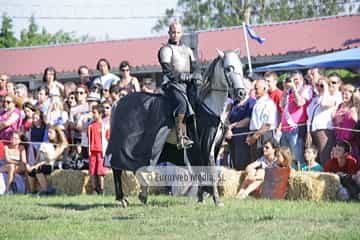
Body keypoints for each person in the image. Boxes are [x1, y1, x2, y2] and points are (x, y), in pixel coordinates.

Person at [157, 21, 202, 149]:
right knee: (182, 103)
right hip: (172, 85)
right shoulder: (166, 49)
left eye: (178, 32)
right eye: (173, 32)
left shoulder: (187, 50)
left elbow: (195, 66)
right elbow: (167, 69)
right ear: (169, 33)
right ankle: (180, 136)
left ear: (181, 33)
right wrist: (181, 76)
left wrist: (197, 75)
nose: (175, 35)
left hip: (187, 84)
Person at [279, 70, 313, 164]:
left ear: (302, 80)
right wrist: (285, 89)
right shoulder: (288, 92)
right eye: (292, 79)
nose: (294, 81)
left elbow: (300, 103)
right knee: (286, 158)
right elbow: (281, 104)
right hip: (285, 129)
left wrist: (294, 89)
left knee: (297, 158)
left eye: (296, 79)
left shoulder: (306, 89)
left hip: (296, 128)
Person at [26, 125, 68, 195]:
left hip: (57, 165)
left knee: (38, 169)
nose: (48, 134)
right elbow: (39, 158)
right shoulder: (47, 143)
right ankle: (32, 192)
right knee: (31, 172)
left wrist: (45, 154)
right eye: (48, 132)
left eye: (50, 132)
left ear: (56, 133)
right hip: (46, 163)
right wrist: (34, 165)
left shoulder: (62, 144)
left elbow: (53, 158)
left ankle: (45, 191)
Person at [246, 77, 278, 162]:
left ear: (264, 89)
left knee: (263, 161)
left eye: (256, 89)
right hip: (255, 134)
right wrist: (250, 135)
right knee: (255, 160)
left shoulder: (268, 103)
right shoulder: (258, 102)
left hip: (264, 136)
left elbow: (267, 125)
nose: (254, 91)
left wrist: (254, 136)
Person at [306, 77, 337, 165]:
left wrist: (326, 88)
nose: (319, 87)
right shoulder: (315, 99)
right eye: (317, 85)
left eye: (321, 85)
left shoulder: (332, 98)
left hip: (324, 131)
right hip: (313, 130)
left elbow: (324, 104)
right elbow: (309, 116)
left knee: (324, 157)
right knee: (315, 158)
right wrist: (308, 131)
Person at [226, 91, 256, 170]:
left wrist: (232, 126)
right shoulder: (233, 103)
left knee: (242, 162)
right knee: (234, 161)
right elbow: (227, 117)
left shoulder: (251, 102)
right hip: (232, 136)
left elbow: (248, 120)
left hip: (243, 136)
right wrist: (227, 129)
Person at [87, 105, 109, 194]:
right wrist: (89, 149)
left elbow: (108, 138)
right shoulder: (91, 126)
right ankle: (94, 189)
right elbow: (89, 138)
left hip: (101, 152)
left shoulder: (104, 126)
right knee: (92, 171)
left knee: (100, 172)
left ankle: (102, 189)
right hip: (92, 152)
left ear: (100, 114)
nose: (93, 114)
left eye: (94, 113)